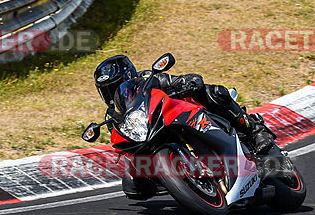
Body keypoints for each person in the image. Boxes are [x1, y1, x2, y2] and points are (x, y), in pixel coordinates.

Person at [93, 54, 279, 155]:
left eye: (115, 86)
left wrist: (186, 82)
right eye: (107, 90)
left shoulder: (146, 80)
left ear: (128, 76)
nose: (114, 93)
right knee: (133, 187)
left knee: (215, 93)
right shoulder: (113, 116)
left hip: (185, 113)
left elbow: (174, 80)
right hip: (155, 134)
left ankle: (254, 131)